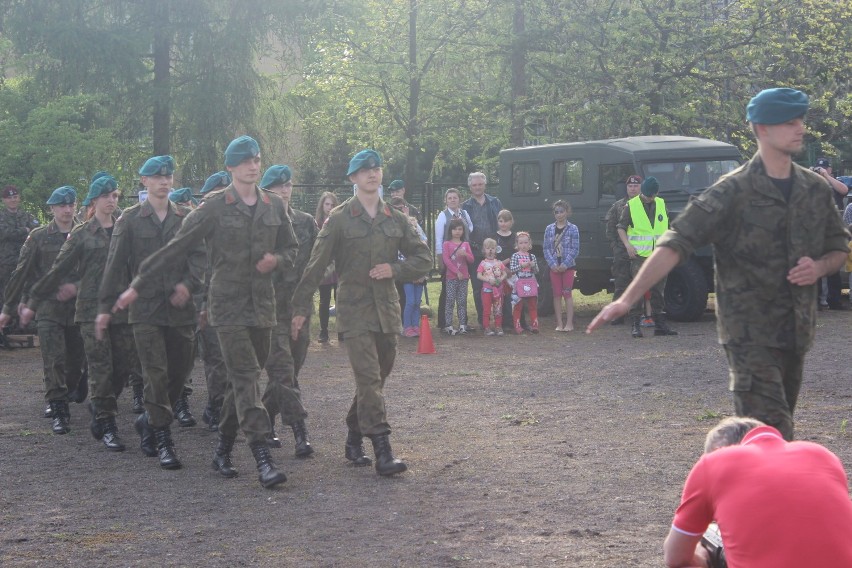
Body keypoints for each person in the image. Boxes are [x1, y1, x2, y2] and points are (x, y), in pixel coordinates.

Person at [588, 88, 850, 441]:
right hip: (749, 334)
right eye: (789, 122)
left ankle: (737, 481)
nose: (799, 128)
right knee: (771, 432)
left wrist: (819, 268)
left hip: (796, 330)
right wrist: (627, 299)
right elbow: (675, 242)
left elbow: (837, 248)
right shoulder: (732, 191)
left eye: (800, 120)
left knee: (772, 433)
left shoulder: (814, 189)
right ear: (761, 129)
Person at [112, 135, 298, 488]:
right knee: (246, 379)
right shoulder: (214, 206)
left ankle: (223, 448)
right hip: (225, 309)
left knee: (239, 387)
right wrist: (137, 284)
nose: (252, 165)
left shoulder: (274, 205)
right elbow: (176, 247)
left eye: (256, 159)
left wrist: (277, 259)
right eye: (244, 161)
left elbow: (292, 248)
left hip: (263, 309)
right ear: (230, 168)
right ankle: (262, 457)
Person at [290, 149, 431, 476]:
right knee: (368, 378)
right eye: (364, 170)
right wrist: (299, 308)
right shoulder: (338, 219)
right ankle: (383, 451)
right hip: (354, 312)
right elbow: (315, 265)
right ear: (353, 178)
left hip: (387, 311)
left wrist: (394, 268)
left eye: (376, 168)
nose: (372, 174)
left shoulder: (396, 218)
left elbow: (423, 259)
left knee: (377, 379)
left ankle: (354, 433)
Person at [96, 155, 205, 470]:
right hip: (145, 311)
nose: (164, 181)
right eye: (156, 177)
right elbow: (114, 266)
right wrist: (105, 307)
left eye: (168, 176)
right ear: (144, 181)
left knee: (179, 373)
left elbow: (201, 257)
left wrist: (188, 283)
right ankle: (163, 438)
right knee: (154, 374)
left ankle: (148, 419)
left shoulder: (187, 216)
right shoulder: (129, 220)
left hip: (181, 311)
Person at [24, 175, 141, 452]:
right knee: (96, 365)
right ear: (93, 201)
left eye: (115, 195)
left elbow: (137, 266)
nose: (112, 200)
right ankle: (105, 422)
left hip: (120, 310)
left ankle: (99, 404)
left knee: (123, 365)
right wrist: (31, 301)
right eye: (106, 196)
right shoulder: (80, 234)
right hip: (86, 311)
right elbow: (57, 270)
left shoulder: (126, 230)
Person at [663, 416, 852, 568]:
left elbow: (675, 558)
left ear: (719, 450)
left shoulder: (715, 462)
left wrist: (702, 556)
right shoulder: (824, 455)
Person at [0, 186, 85, 432]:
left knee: (75, 363)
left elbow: (100, 271)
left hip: (79, 309)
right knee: (53, 358)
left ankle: (68, 391)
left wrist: (77, 286)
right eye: (61, 206)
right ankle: (58, 407)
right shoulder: (38, 236)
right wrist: (8, 307)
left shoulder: (88, 234)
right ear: (52, 209)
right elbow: (21, 273)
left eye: (71, 205)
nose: (67, 210)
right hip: (48, 308)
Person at [258, 164, 318, 458]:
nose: (285, 190)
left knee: (289, 371)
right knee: (283, 373)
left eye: (288, 185)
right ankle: (300, 432)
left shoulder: (306, 222)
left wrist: (304, 304)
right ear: (266, 191)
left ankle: (266, 417)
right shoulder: (259, 226)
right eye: (278, 186)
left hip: (300, 309)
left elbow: (320, 263)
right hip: (269, 312)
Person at [617, 176, 678, 338]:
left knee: (659, 291)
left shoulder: (661, 203)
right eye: (646, 195)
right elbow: (621, 228)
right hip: (639, 256)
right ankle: (636, 325)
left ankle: (660, 325)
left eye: (652, 195)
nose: (649, 198)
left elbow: (666, 226)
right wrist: (628, 246)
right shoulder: (631, 205)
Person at [195, 170, 231, 431]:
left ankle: (222, 406)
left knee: (232, 359)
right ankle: (216, 407)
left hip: (232, 300)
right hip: (203, 301)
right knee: (216, 358)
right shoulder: (195, 223)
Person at [462, 172, 503, 328]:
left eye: (480, 184)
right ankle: (483, 320)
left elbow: (502, 224)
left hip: (493, 251)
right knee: (478, 287)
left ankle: (500, 319)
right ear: (470, 187)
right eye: (474, 185)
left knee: (498, 284)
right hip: (474, 251)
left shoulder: (495, 202)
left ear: (485, 185)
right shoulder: (465, 206)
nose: (477, 187)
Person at [811, 157, 849, 310]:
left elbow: (844, 190)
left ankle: (834, 300)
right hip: (815, 231)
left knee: (834, 267)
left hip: (833, 232)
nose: (822, 171)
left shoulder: (834, 182)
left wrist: (827, 177)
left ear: (830, 169)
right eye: (819, 169)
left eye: (825, 168)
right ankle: (817, 301)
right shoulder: (811, 184)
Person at [605, 175, 643, 325]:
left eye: (636, 186)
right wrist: (616, 247)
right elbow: (610, 229)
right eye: (630, 186)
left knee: (640, 284)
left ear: (640, 187)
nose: (633, 188)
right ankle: (618, 315)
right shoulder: (618, 206)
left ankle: (639, 315)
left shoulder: (646, 204)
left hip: (641, 250)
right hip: (622, 251)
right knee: (621, 284)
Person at [391, 196, 428, 338]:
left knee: (417, 302)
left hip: (419, 275)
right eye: (397, 209)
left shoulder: (418, 236)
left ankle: (415, 326)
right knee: (408, 301)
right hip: (405, 274)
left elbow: (424, 254)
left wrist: (422, 274)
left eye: (402, 208)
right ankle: (406, 326)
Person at [435, 188, 472, 329]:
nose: (452, 200)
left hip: (463, 257)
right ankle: (444, 322)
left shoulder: (465, 214)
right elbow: (438, 238)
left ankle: (463, 323)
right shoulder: (442, 216)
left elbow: (471, 228)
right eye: (449, 198)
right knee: (447, 292)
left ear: (459, 199)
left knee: (462, 295)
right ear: (446, 200)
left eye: (455, 197)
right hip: (448, 256)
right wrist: (440, 259)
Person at [0, 185, 38, 318]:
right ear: (4, 200)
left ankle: (24, 323)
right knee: (6, 292)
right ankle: (6, 324)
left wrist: (24, 232)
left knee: (25, 291)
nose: (13, 200)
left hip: (25, 261)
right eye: (9, 198)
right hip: (7, 263)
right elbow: (3, 233)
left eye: (15, 197)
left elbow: (36, 230)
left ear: (19, 198)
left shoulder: (26, 215)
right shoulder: (2, 216)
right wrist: (24, 231)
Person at [543, 200, 580, 332]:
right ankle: (559, 323)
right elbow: (546, 249)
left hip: (568, 267)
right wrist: (553, 264)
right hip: (554, 267)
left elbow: (575, 249)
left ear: (567, 212)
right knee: (556, 294)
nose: (559, 214)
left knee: (567, 293)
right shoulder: (549, 229)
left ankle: (569, 323)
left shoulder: (573, 228)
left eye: (561, 211)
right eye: (556, 212)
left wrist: (565, 264)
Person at [314, 191, 340, 344]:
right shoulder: (315, 223)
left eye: (332, 204)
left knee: (340, 298)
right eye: (327, 204)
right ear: (322, 205)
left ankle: (342, 331)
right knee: (324, 299)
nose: (329, 207)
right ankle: (323, 332)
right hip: (324, 267)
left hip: (338, 266)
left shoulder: (340, 222)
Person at [442, 218, 473, 336]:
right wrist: (456, 272)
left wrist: (466, 254)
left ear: (463, 231)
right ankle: (448, 325)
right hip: (451, 277)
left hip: (464, 278)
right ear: (450, 231)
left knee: (462, 301)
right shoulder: (446, 244)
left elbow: (471, 260)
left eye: (460, 229)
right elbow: (446, 260)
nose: (457, 231)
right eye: (455, 229)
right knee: (450, 301)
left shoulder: (466, 244)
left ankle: (462, 325)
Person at [509, 231, 540, 334]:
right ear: (517, 244)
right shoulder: (515, 256)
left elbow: (537, 271)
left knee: (532, 304)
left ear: (529, 243)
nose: (523, 245)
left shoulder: (532, 256)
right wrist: (521, 266)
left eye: (525, 243)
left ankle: (535, 325)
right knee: (518, 304)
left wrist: (533, 265)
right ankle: (517, 326)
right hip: (519, 282)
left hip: (530, 281)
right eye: (521, 243)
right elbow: (512, 269)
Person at [476, 238, 507, 336]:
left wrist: (501, 279)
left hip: (498, 291)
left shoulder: (499, 263)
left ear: (496, 249)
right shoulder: (483, 263)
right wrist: (488, 279)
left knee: (498, 309)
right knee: (486, 309)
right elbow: (479, 275)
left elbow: (504, 273)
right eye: (488, 248)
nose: (490, 250)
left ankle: (498, 326)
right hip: (487, 290)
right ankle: (486, 327)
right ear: (484, 250)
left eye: (492, 248)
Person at [493, 209, 517, 330]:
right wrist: (502, 266)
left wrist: (509, 266)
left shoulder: (515, 237)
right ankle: (501, 323)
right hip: (498, 272)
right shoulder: (494, 237)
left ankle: (517, 322)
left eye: (506, 221)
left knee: (514, 297)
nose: (503, 224)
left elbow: (517, 253)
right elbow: (491, 255)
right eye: (501, 221)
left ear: (511, 222)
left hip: (512, 272)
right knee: (500, 298)